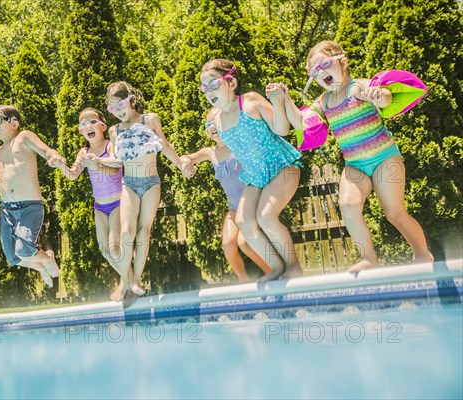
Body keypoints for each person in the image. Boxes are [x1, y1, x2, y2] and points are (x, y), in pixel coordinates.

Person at [277, 40, 433, 273]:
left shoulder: (358, 87)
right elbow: (300, 122)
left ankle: (422, 253)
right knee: (348, 205)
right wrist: (285, 100)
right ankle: (369, 258)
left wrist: (382, 97)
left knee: (395, 213)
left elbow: (384, 97)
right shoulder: (323, 102)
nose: (321, 73)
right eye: (314, 72)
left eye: (325, 65)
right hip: (355, 164)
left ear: (343, 62)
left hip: (384, 157)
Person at [199, 59, 304, 282]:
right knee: (245, 223)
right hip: (255, 175)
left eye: (213, 84)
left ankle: (293, 266)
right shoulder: (217, 120)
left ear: (231, 82)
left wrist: (278, 101)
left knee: (266, 216)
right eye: (204, 88)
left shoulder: (250, 101)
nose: (208, 92)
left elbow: (282, 129)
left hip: (281, 165)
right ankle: (275, 267)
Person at [92, 81, 193, 300]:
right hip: (129, 184)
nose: (117, 112)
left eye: (120, 106)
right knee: (126, 232)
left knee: (143, 232)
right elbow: (117, 161)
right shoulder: (114, 130)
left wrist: (181, 165)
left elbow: (165, 145)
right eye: (112, 108)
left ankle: (136, 278)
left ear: (132, 101)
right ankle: (125, 281)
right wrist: (98, 162)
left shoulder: (150, 119)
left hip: (150, 183)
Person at [180, 108, 272, 283]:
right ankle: (244, 280)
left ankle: (272, 273)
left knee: (245, 243)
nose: (213, 127)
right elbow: (186, 157)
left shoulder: (238, 145)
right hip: (234, 208)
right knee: (229, 244)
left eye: (217, 122)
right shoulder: (210, 153)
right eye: (209, 124)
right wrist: (186, 164)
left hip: (252, 204)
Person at [0, 105, 64, 287]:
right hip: (7, 210)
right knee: (13, 257)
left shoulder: (24, 136)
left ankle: (48, 259)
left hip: (29, 206)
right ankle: (41, 267)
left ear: (14, 122)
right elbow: (1, 183)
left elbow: (46, 150)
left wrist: (54, 157)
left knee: (25, 250)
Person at [54, 107, 124, 300]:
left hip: (118, 202)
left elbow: (117, 167)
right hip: (100, 206)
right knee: (105, 250)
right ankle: (128, 278)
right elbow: (73, 175)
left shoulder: (110, 146)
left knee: (115, 247)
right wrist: (61, 165)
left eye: (92, 121)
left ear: (103, 126)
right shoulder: (83, 151)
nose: (88, 126)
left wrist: (96, 164)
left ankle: (126, 281)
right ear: (80, 131)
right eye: (83, 124)